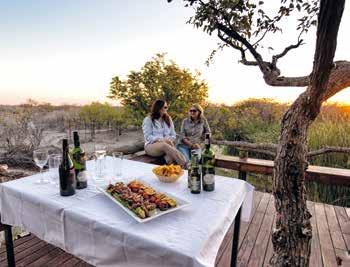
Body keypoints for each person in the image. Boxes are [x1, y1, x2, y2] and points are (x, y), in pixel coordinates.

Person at [142, 99, 186, 167]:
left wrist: (167, 140)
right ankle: (184, 164)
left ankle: (174, 173)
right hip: (151, 146)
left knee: (169, 158)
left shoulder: (168, 119)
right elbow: (148, 137)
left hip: (167, 145)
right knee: (164, 145)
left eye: (167, 107)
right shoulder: (149, 119)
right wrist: (160, 140)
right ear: (159, 108)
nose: (166, 109)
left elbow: (173, 135)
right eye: (165, 107)